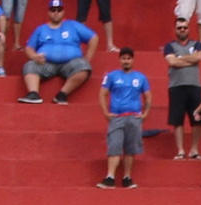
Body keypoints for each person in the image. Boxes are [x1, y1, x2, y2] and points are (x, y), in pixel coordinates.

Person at [17, 0, 93, 103]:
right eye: (53, 10)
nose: (56, 12)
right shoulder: (41, 29)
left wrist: (88, 57)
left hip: (70, 64)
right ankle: (34, 94)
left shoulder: (73, 25)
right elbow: (29, 48)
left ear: (63, 11)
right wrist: (35, 57)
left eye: (59, 10)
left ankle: (62, 94)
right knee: (29, 65)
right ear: (48, 12)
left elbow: (93, 37)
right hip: (46, 64)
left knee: (84, 66)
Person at [96, 45, 147, 189]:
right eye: (123, 58)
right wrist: (106, 113)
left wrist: (145, 114)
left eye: (129, 59)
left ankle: (127, 177)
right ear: (120, 60)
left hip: (134, 117)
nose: (126, 61)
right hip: (117, 116)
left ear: (133, 60)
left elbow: (148, 96)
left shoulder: (140, 77)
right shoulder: (111, 76)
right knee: (114, 146)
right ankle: (110, 177)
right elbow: (102, 94)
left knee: (130, 149)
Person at [161, 16, 201, 160]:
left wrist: (180, 58)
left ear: (188, 29)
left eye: (185, 27)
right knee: (177, 120)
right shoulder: (170, 46)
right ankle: (180, 150)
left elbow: (198, 58)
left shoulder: (197, 44)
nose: (182, 30)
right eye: (179, 28)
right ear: (175, 30)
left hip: (194, 85)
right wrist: (188, 59)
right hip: (176, 86)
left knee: (197, 118)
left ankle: (194, 150)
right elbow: (172, 61)